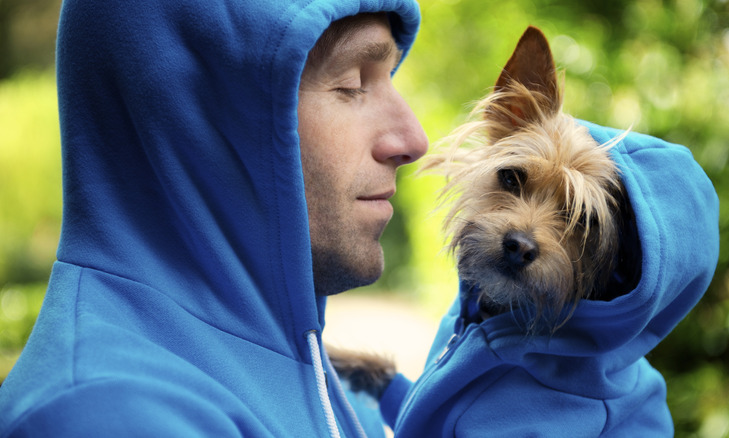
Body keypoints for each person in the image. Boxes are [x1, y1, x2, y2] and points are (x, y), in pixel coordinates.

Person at [0, 0, 426, 437]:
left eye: (388, 76)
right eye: (352, 84)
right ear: (195, 113)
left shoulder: (321, 381)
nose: (414, 139)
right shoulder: (110, 413)